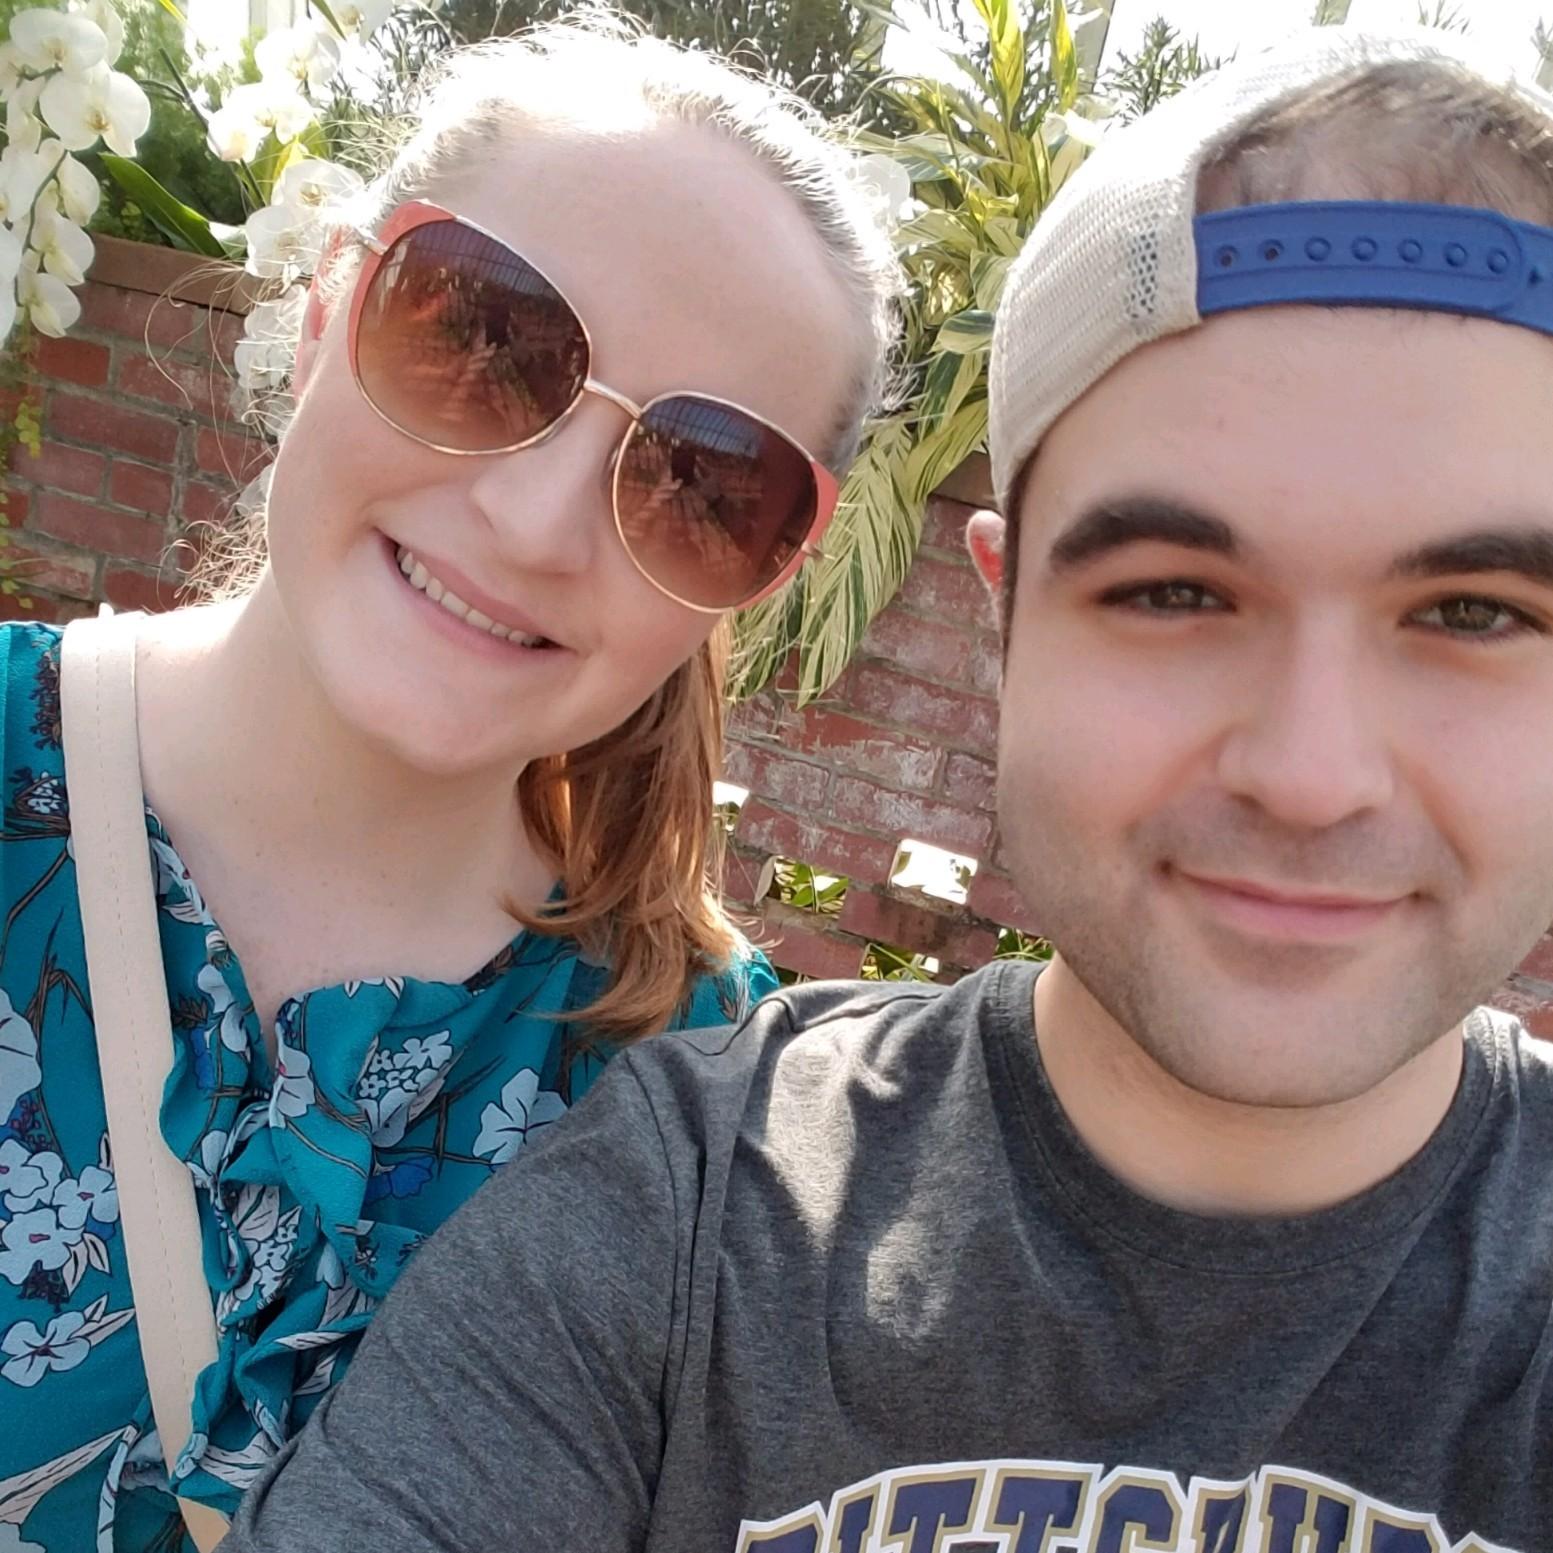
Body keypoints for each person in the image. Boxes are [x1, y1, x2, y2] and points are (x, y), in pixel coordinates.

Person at [219, 24, 1553, 1553]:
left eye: (1474, 614)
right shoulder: (676, 1219)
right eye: (1172, 592)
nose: (1311, 775)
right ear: (1003, 621)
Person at [0, 18, 903, 1551]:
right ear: (325, 312)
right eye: (483, 337)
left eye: (699, 481)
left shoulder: (702, 1104)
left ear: (757, 575)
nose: (538, 521)